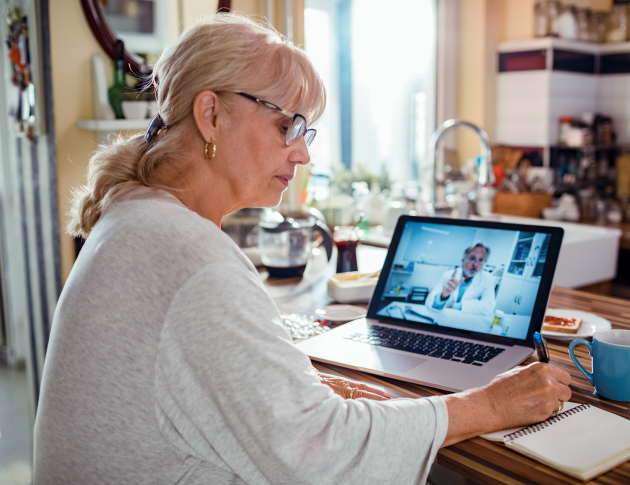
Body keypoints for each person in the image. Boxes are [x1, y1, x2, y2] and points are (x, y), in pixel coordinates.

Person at [33, 13, 571, 485]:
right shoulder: (191, 258)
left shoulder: (136, 216)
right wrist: (490, 404)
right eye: (288, 124)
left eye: (306, 131)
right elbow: (322, 457)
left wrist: (296, 386)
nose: (302, 154)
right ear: (211, 114)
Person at [426, 243, 497, 315]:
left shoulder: (487, 279)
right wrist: (443, 295)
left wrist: (457, 306)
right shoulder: (448, 275)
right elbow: (430, 301)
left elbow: (489, 306)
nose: (476, 264)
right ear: (463, 260)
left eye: (481, 260)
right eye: (472, 258)